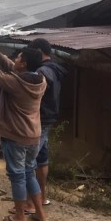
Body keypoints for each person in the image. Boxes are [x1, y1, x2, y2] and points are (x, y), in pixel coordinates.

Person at [0, 41, 48, 221]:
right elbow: (14, 69)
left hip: (16, 136)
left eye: (18, 57)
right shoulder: (40, 80)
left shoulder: (15, 83)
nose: (14, 59)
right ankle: (40, 214)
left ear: (24, 64)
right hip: (34, 135)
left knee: (17, 176)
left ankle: (19, 216)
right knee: (29, 173)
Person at [24, 38, 67, 210]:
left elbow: (39, 87)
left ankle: (30, 203)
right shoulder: (55, 68)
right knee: (41, 159)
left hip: (40, 118)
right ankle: (42, 197)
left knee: (29, 161)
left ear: (39, 53)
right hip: (49, 117)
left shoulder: (43, 72)